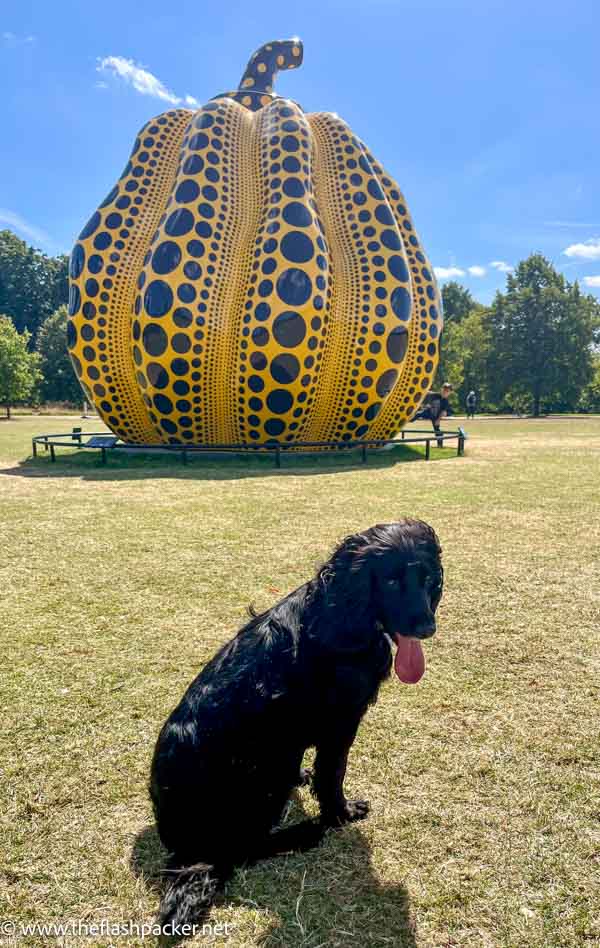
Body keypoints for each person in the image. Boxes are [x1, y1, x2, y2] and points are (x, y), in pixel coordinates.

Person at [413, 383, 453, 447]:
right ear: (441, 390)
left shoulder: (445, 402)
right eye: (444, 390)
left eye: (447, 391)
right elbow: (427, 393)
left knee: (437, 430)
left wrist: (438, 420)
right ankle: (408, 420)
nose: (445, 392)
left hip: (436, 416)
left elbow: (443, 412)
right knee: (418, 414)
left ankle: (440, 444)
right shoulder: (434, 395)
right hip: (429, 412)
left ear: (450, 393)